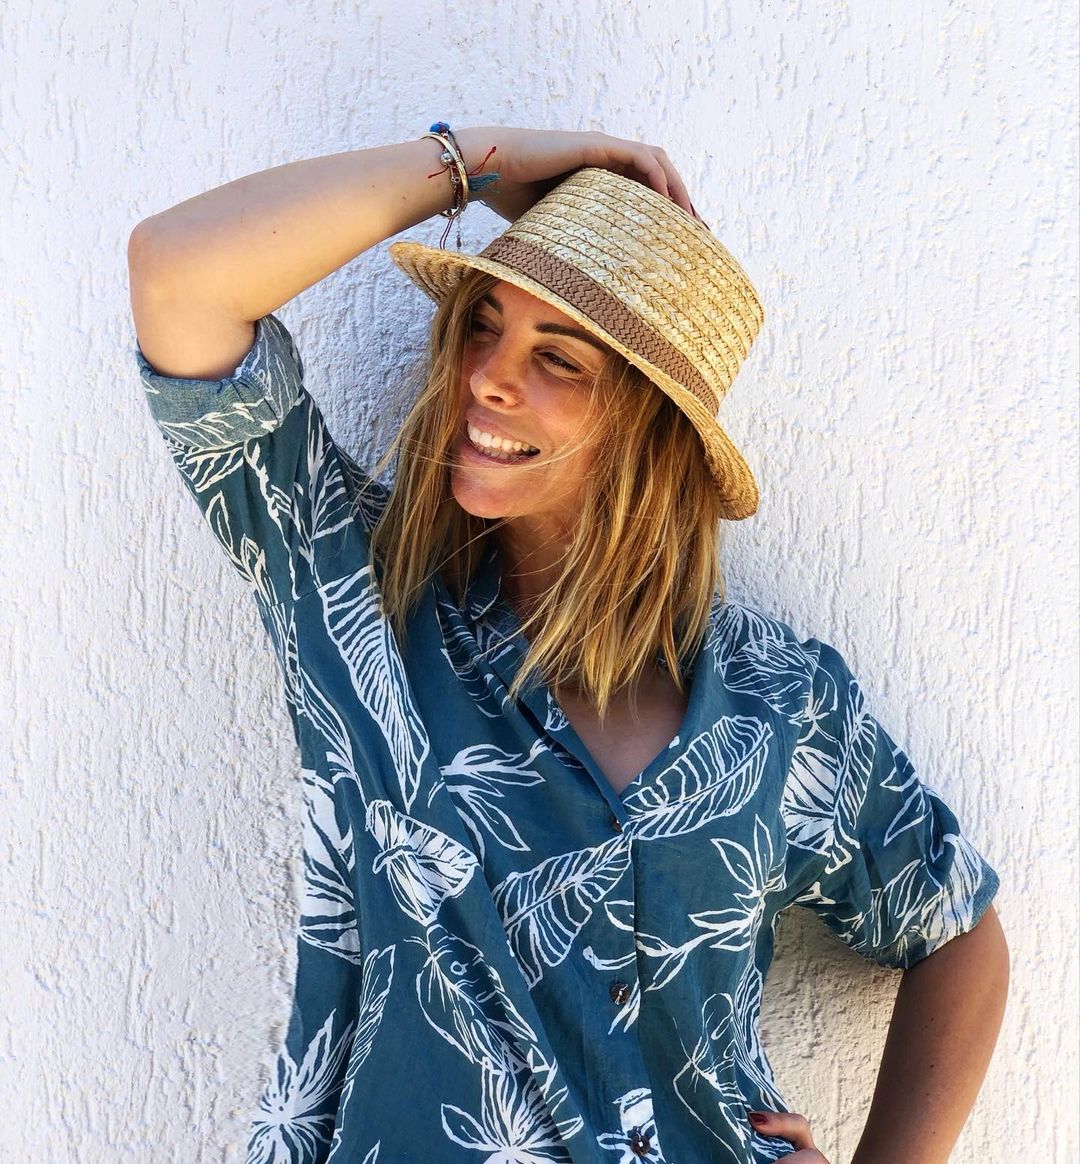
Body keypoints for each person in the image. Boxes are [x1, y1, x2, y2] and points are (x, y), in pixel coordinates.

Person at [127, 126, 1008, 1164]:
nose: (487, 380)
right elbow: (177, 274)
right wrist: (479, 163)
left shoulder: (781, 701)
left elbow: (957, 930)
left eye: (557, 359)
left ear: (651, 425)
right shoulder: (355, 590)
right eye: (482, 326)